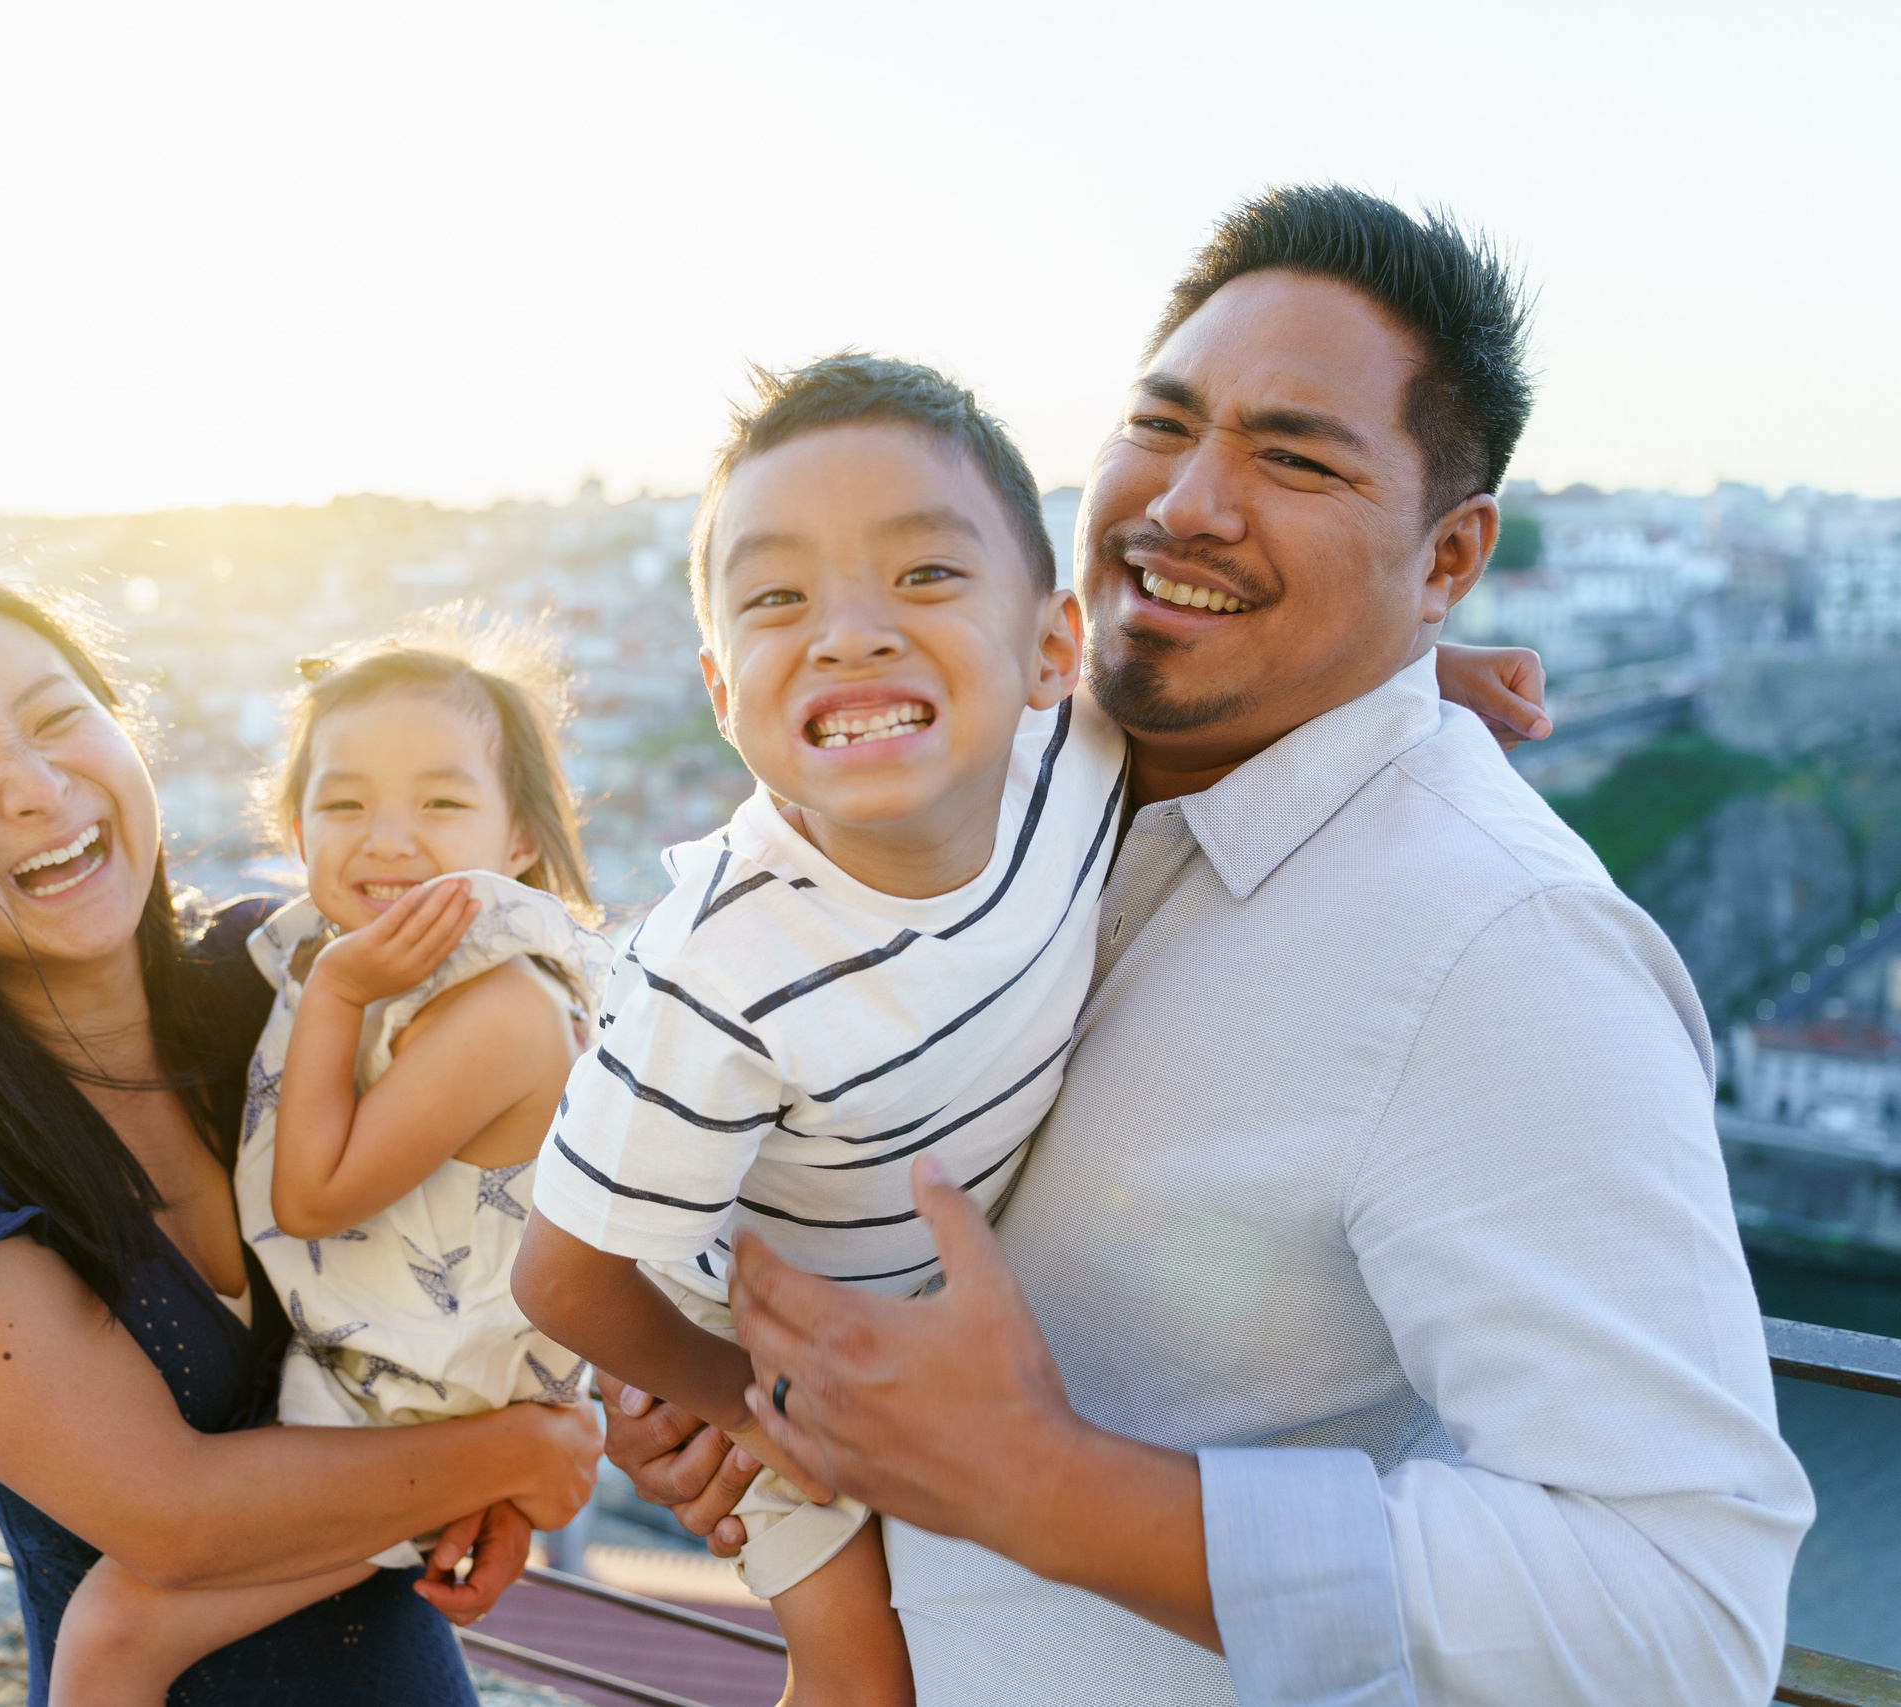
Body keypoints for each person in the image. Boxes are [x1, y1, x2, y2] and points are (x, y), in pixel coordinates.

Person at [517, 352, 1560, 1704]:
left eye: (926, 576)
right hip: (767, 1338)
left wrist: (1412, 672)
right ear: (725, 692)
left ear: (1053, 648)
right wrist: (751, 1398)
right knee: (860, 1669)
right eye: (779, 596)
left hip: (948, 1321)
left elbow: (1245, 679)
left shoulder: (1076, 751)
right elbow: (566, 1277)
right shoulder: (719, 972)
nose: (849, 630)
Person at [0, 582, 598, 1707]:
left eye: (57, 718)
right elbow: (171, 1516)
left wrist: (559, 1433)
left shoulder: (279, 984)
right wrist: (522, 1454)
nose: (32, 788)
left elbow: (498, 1219)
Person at [48, 610, 606, 1705]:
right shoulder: (332, 962)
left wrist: (343, 994)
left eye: (442, 803)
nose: (388, 839)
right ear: (295, 829)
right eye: (344, 803)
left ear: (520, 840)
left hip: (420, 1416)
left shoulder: (495, 1010)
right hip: (384, 1387)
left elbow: (312, 1198)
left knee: (114, 1632)